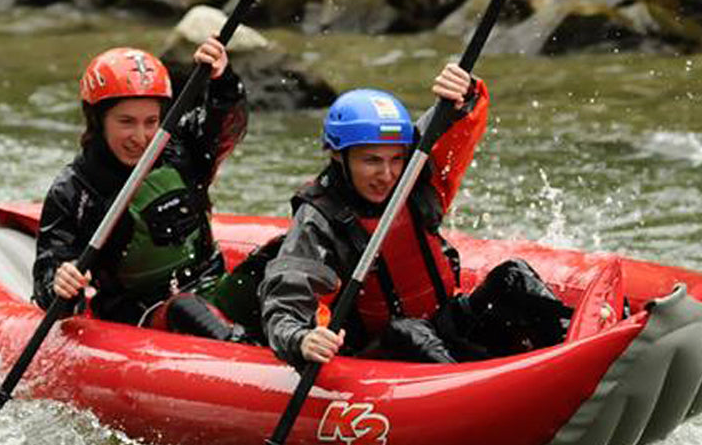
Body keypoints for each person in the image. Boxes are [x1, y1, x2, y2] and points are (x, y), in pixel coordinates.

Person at [259, 63, 570, 368]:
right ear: (338, 155)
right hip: (379, 353)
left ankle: (571, 355)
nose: (387, 174)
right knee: (407, 330)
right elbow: (284, 306)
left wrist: (465, 90)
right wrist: (301, 339)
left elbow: (454, 123)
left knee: (513, 276)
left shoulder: (416, 173)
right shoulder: (318, 218)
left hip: (444, 325)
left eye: (396, 159)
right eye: (372, 161)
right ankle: (468, 393)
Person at [32, 39, 249, 340]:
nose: (141, 137)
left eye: (151, 122)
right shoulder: (74, 190)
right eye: (126, 122)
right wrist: (61, 282)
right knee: (185, 309)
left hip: (211, 284)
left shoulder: (182, 149)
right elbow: (48, 279)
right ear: (98, 120)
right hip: (143, 316)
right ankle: (243, 348)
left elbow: (226, 122)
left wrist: (222, 80)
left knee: (270, 266)